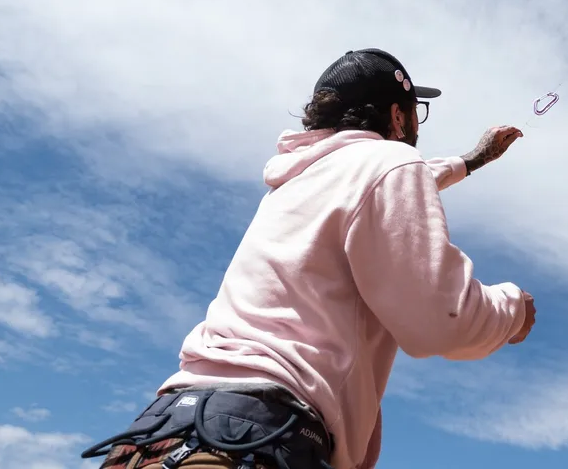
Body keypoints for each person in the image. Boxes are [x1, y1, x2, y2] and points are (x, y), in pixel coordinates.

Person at [81, 48, 535, 469]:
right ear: (397, 115)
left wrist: (471, 160)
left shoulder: (299, 181)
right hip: (264, 434)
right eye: (416, 111)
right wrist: (512, 309)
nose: (417, 125)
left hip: (161, 428)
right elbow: (442, 319)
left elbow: (377, 182)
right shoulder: (391, 163)